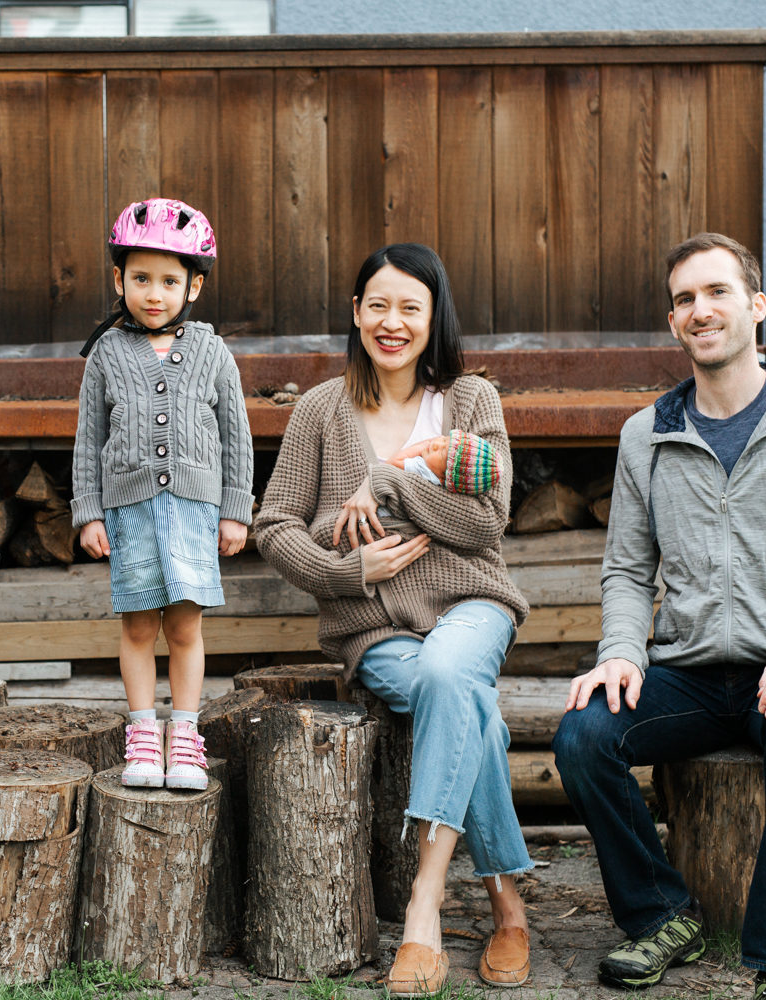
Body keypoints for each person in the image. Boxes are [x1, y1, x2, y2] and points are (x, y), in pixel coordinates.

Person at [552, 233, 766, 1000]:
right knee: (583, 735)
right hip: (691, 673)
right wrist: (624, 652)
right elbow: (629, 570)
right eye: (686, 300)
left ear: (755, 307)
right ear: (674, 322)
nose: (702, 311)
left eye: (718, 292)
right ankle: (663, 914)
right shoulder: (648, 435)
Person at [255, 243, 534, 994]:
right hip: (373, 626)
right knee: (472, 707)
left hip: (472, 603)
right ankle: (507, 902)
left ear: (434, 315)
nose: (393, 321)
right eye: (378, 304)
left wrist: (389, 482)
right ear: (356, 312)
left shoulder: (472, 403)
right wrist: (347, 570)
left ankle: (423, 905)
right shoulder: (319, 410)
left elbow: (486, 524)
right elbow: (274, 525)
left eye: (411, 306)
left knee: (451, 670)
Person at [71, 197, 254, 791]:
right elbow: (88, 437)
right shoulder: (105, 354)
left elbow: (237, 437)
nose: (155, 292)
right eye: (142, 278)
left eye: (170, 280)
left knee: (185, 628)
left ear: (194, 286)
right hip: (128, 513)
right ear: (119, 279)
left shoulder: (211, 351)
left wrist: (235, 511)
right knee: (137, 628)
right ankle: (143, 732)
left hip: (196, 512)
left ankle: (186, 733)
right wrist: (87, 512)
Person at [385, 429, 501, 494]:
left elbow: (392, 463)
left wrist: (423, 445)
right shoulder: (440, 484)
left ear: (444, 478)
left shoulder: (422, 469)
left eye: (442, 453)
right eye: (444, 439)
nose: (436, 443)